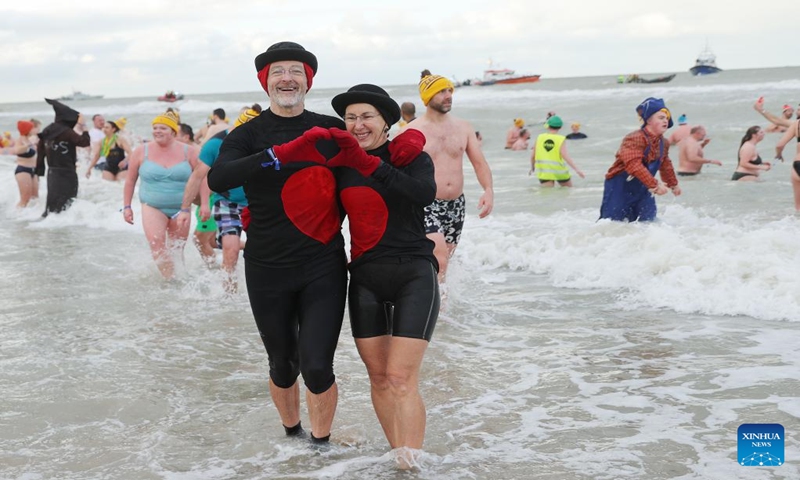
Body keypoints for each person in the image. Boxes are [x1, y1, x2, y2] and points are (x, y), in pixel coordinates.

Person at [206, 41, 347, 444]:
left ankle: (320, 447)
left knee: (318, 366)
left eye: (296, 71)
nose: (288, 78)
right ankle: (291, 435)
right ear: (266, 81)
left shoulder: (329, 128)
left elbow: (373, 160)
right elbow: (219, 178)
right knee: (283, 364)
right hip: (267, 265)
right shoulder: (248, 134)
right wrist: (275, 154)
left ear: (308, 80)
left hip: (323, 263)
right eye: (278, 71)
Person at [327, 83, 440, 468]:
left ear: (386, 121)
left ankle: (412, 465)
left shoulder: (411, 157)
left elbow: (424, 194)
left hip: (413, 273)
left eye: (367, 117)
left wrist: (374, 163)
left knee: (400, 377)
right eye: (351, 118)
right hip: (364, 279)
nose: (358, 125)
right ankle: (400, 457)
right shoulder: (341, 166)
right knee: (378, 378)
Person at [411, 72, 494, 282]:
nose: (448, 95)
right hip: (426, 203)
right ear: (428, 97)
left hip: (456, 204)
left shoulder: (463, 127)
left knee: (446, 258)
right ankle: (434, 309)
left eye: (449, 90)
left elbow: (479, 162)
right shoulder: (412, 131)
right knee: (439, 256)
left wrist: (488, 190)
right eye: (441, 91)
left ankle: (442, 309)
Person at [178, 105, 262, 292]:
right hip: (227, 202)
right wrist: (185, 209)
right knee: (230, 251)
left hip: (258, 201)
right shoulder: (216, 144)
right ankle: (229, 297)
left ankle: (262, 293)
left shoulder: (262, 138)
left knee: (264, 251)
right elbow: (199, 176)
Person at [122, 110, 202, 279]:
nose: (157, 131)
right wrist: (127, 207)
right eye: (155, 127)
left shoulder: (189, 151)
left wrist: (206, 204)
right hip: (152, 206)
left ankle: (181, 278)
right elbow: (130, 181)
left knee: (176, 250)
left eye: (163, 128)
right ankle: (170, 281)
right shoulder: (141, 151)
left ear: (173, 132)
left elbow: (202, 177)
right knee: (157, 245)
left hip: (182, 208)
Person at [599, 97, 681, 222]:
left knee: (648, 223)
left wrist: (673, 184)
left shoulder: (663, 143)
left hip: (644, 189)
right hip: (620, 189)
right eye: (661, 118)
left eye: (666, 118)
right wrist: (655, 185)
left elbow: (665, 164)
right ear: (648, 120)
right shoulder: (635, 138)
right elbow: (634, 165)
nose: (666, 120)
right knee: (612, 224)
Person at [35, 98, 91, 217]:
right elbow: (84, 142)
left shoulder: (47, 130)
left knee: (52, 202)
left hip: (52, 173)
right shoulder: (66, 132)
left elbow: (40, 151)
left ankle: (50, 225)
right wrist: (84, 126)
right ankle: (63, 229)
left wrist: (39, 171)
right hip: (67, 172)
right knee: (68, 202)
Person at [175, 122, 217, 266]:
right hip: (204, 202)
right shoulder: (181, 152)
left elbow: (206, 177)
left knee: (199, 240)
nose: (172, 138)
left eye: (176, 135)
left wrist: (205, 203)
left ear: (186, 137)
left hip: (210, 200)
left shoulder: (196, 152)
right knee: (213, 242)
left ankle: (214, 271)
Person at [529, 115, 585, 187]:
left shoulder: (540, 137)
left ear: (548, 126)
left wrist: (532, 167)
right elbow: (565, 156)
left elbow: (533, 156)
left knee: (547, 195)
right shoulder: (560, 139)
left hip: (544, 172)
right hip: (559, 171)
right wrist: (577, 170)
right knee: (567, 192)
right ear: (560, 127)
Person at [774, 112, 800, 210]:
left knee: (798, 207)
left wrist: (779, 155)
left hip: (797, 164)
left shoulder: (796, 124)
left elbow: (779, 145)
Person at [13, 120, 40, 208]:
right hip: (23, 170)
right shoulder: (20, 140)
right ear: (27, 130)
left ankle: (30, 216)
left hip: (34, 171)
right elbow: (17, 150)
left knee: (35, 198)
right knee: (25, 198)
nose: (33, 129)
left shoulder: (32, 139)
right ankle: (17, 215)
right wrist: (28, 145)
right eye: (31, 128)